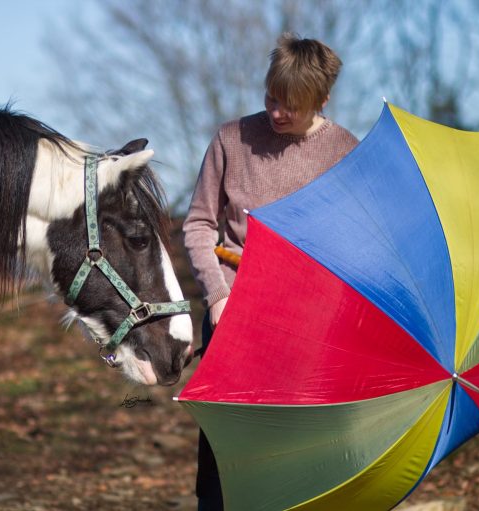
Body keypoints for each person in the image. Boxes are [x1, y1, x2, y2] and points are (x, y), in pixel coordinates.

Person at [182, 33, 359, 510]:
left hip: (307, 332)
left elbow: (355, 245)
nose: (277, 112)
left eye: (292, 106)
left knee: (297, 466)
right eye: (271, 98)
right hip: (232, 321)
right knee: (225, 469)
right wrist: (217, 296)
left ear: (321, 100)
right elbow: (199, 225)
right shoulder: (230, 139)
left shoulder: (344, 151)